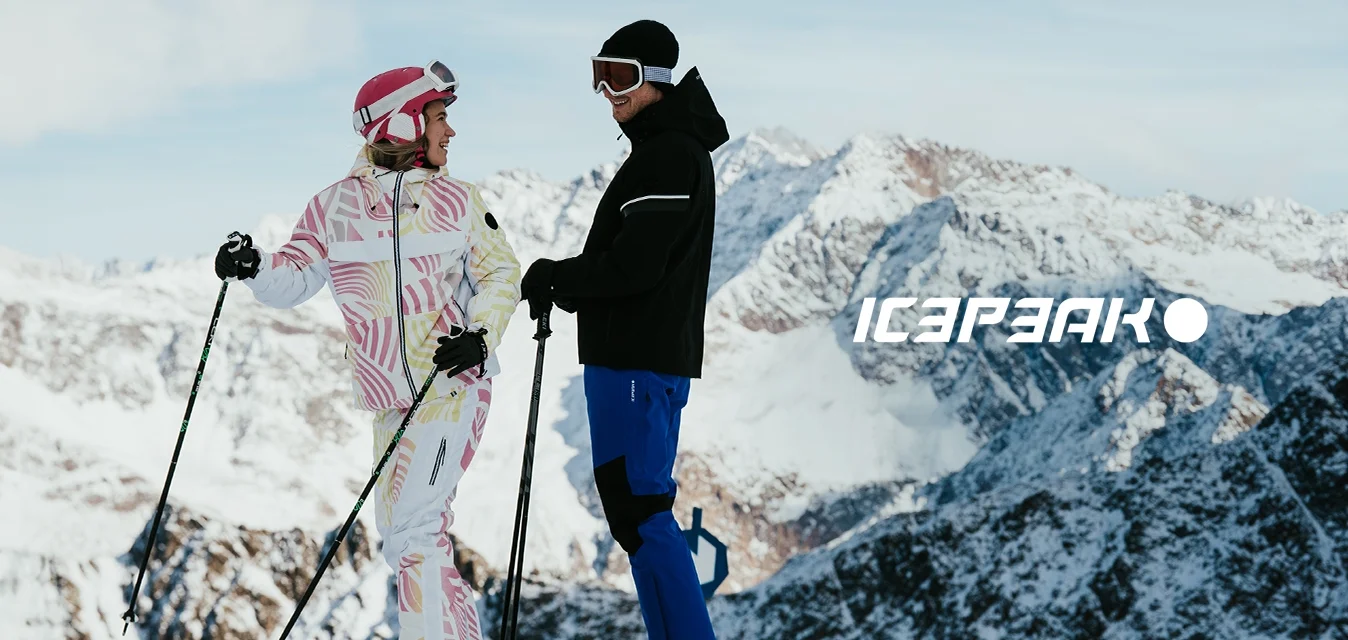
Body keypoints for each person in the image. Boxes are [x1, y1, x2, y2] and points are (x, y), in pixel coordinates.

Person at [214, 61, 521, 640]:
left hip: (453, 385)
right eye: (439, 117)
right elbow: (296, 273)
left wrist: (478, 335)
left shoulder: (458, 201)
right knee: (402, 536)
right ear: (403, 123)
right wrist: (254, 268)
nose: (449, 132)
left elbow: (501, 274)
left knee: (417, 527)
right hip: (388, 400)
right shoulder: (334, 208)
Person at [519, 19, 728, 640]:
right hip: (634, 358)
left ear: (657, 81)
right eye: (600, 76)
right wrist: (571, 285)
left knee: (642, 511)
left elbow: (637, 266)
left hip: (638, 362)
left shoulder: (668, 155)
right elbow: (637, 266)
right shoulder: (661, 150)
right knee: (635, 513)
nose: (610, 92)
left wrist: (561, 277)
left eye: (622, 77)